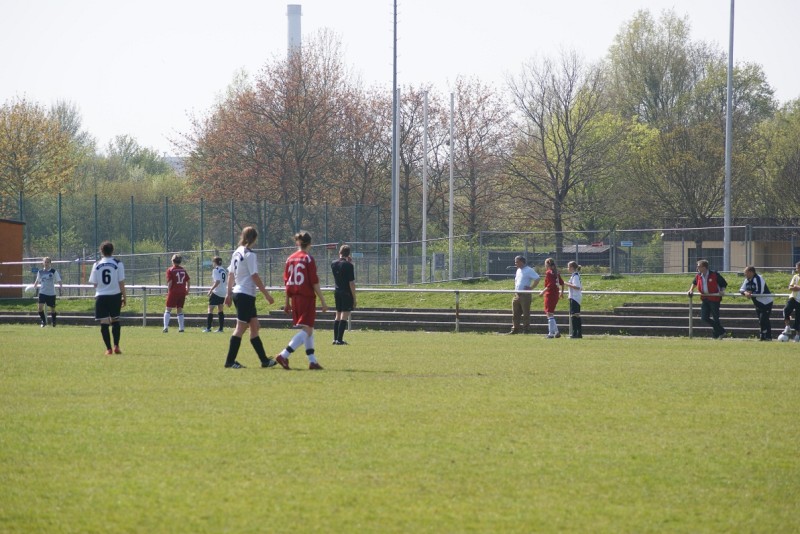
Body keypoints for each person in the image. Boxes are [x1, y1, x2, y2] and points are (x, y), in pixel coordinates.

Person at [223, 226, 277, 369]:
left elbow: (231, 274)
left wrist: (229, 294)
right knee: (240, 328)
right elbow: (254, 276)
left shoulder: (237, 252)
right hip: (245, 295)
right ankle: (229, 361)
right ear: (254, 238)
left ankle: (264, 361)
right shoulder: (250, 254)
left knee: (254, 326)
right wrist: (267, 295)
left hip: (241, 293)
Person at [275, 231, 328, 370]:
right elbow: (314, 282)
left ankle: (312, 361)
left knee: (309, 328)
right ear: (310, 243)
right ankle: (284, 355)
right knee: (307, 330)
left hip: (295, 298)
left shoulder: (290, 259)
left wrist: (287, 302)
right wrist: (323, 300)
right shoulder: (308, 259)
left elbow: (287, 282)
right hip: (306, 297)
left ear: (297, 242)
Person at [88, 241, 126, 355]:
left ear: (101, 251)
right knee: (115, 320)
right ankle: (116, 346)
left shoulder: (96, 264)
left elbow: (94, 284)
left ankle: (108, 349)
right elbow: (121, 282)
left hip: (101, 296)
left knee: (104, 322)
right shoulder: (118, 263)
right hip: (115, 296)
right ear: (112, 251)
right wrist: (124, 296)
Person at [688, 259, 728, 339]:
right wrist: (691, 290)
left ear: (704, 267)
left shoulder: (714, 274)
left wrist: (722, 291)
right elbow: (694, 283)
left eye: (699, 266)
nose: (697, 268)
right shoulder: (698, 275)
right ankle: (722, 331)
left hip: (714, 299)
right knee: (704, 318)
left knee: (716, 318)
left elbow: (723, 283)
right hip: (705, 298)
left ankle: (716, 336)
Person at [331, 244, 356, 345]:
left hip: (337, 291)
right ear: (349, 254)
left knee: (338, 314)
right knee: (344, 315)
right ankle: (339, 339)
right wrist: (354, 298)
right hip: (346, 292)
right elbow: (351, 283)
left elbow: (340, 267)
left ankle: (335, 339)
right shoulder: (349, 265)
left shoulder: (333, 263)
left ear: (340, 252)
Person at [739, 266, 774, 341]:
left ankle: (765, 336)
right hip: (757, 303)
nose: (744, 274)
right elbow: (741, 289)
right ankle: (766, 337)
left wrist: (750, 293)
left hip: (766, 302)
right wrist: (745, 293)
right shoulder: (747, 280)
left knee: (763, 319)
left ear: (751, 272)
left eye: (746, 272)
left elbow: (760, 291)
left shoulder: (758, 278)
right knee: (762, 320)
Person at [508, 255, 540, 334]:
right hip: (517, 294)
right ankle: (515, 329)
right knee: (515, 313)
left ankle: (526, 330)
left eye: (517, 262)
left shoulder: (529, 270)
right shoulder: (518, 270)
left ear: (521, 262)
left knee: (526, 313)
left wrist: (531, 288)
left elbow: (537, 278)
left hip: (525, 295)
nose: (515, 264)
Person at [163, 254, 190, 333]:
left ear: (173, 261)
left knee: (168, 309)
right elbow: (188, 280)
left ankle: (165, 327)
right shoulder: (183, 270)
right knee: (180, 309)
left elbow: (170, 282)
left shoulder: (170, 270)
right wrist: (187, 289)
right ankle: (181, 328)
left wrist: (168, 291)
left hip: (174, 291)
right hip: (182, 292)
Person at [33, 257, 62, 327]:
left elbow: (59, 280)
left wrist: (61, 287)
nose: (46, 263)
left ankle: (54, 321)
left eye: (48, 262)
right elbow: (37, 280)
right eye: (45, 262)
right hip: (42, 292)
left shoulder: (53, 271)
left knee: (52, 309)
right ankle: (43, 321)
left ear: (50, 263)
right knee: (40, 308)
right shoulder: (40, 272)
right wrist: (34, 286)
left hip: (51, 293)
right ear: (43, 263)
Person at [540, 258, 565, 338]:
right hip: (555, 294)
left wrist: (543, 292)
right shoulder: (556, 272)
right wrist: (561, 292)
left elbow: (550, 285)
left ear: (547, 265)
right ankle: (556, 332)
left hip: (550, 294)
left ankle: (550, 333)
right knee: (550, 313)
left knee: (549, 313)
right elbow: (562, 283)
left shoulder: (549, 272)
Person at [203, 256, 227, 333]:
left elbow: (217, 281)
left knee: (210, 309)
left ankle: (208, 328)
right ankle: (221, 329)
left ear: (215, 262)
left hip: (217, 292)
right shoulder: (223, 269)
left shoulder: (215, 270)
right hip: (223, 292)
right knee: (220, 309)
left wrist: (211, 290)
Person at [780, 261, 800, 341]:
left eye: (797, 268)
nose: (796, 269)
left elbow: (797, 287)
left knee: (798, 318)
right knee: (786, 310)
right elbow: (790, 287)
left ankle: (797, 335)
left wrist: (798, 287)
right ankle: (787, 327)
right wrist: (794, 287)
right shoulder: (795, 276)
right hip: (793, 298)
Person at [565, 261, 583, 339]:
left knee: (575, 316)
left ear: (572, 267)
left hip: (575, 297)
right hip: (574, 297)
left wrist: (566, 284)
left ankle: (575, 333)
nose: (567, 268)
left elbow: (577, 287)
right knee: (576, 315)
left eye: (568, 267)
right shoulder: (574, 275)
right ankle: (578, 333)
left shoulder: (575, 276)